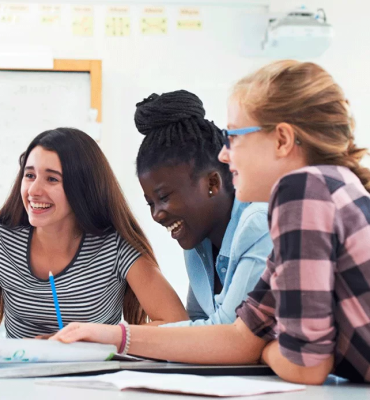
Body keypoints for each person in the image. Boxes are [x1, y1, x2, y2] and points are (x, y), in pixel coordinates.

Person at [52, 61, 370, 384]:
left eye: (234, 137)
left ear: (282, 140)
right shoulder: (320, 193)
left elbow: (305, 365)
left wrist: (265, 350)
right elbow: (240, 338)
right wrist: (113, 337)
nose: (225, 154)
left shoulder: (302, 191)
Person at [0, 128, 187, 338]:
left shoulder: (115, 246)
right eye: (30, 175)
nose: (33, 190)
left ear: (83, 186)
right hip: (20, 369)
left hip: (94, 370)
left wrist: (94, 337)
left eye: (52, 179)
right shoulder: (4, 241)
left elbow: (177, 323)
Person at [135, 90, 272, 326]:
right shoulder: (196, 244)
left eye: (164, 197)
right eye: (150, 203)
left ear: (212, 183)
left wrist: (122, 337)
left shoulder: (259, 224)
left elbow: (227, 332)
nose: (156, 214)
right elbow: (198, 321)